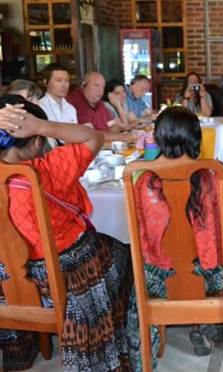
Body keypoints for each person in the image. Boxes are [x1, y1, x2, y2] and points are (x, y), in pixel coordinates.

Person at [126, 107, 223, 370]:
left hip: (159, 275)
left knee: (140, 271)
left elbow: (143, 236)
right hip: (209, 273)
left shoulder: (142, 179)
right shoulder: (211, 177)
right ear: (197, 139)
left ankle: (143, 353)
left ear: (159, 138)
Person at [0, 95, 132, 371]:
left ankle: (19, 350)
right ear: (37, 140)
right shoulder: (48, 169)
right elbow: (94, 138)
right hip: (65, 277)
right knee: (125, 256)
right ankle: (113, 344)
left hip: (7, 281)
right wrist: (41, 125)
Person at [67, 71, 132, 141]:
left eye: (102, 87)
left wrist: (118, 105)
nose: (100, 90)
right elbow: (91, 134)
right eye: (96, 85)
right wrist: (122, 136)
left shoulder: (99, 103)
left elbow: (119, 126)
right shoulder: (77, 100)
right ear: (84, 85)